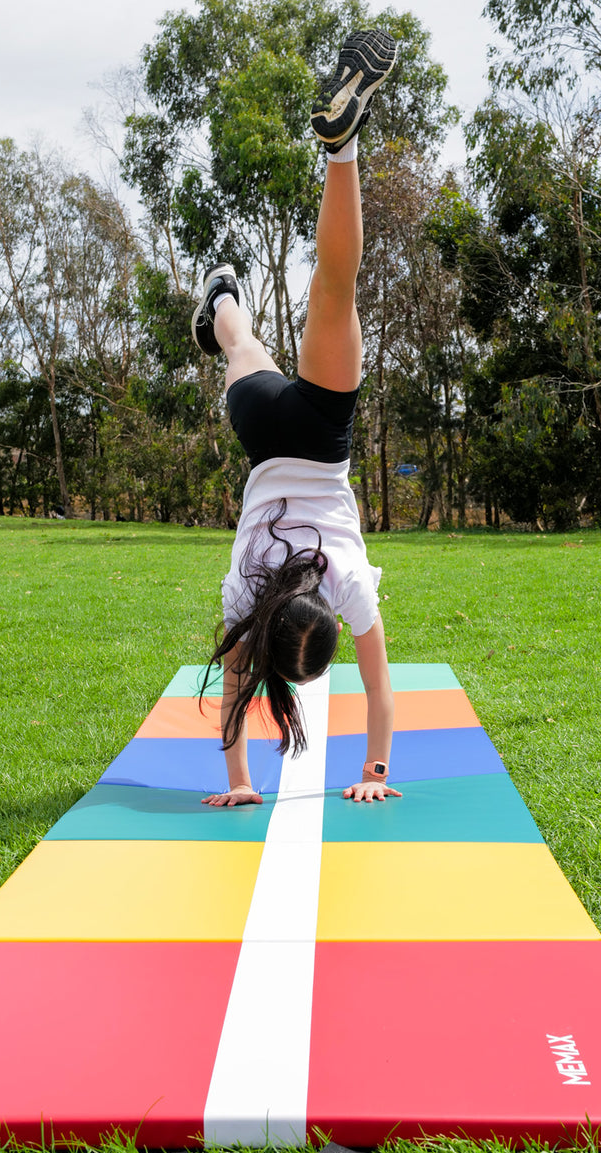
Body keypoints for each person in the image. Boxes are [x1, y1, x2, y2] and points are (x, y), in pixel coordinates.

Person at [192, 29, 402, 808]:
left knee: (334, 291)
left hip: (316, 434)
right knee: (241, 343)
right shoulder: (246, 595)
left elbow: (380, 697)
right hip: (259, 431)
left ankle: (340, 151)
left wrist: (376, 775)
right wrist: (239, 783)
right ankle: (219, 298)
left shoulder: (345, 584)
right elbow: (234, 697)